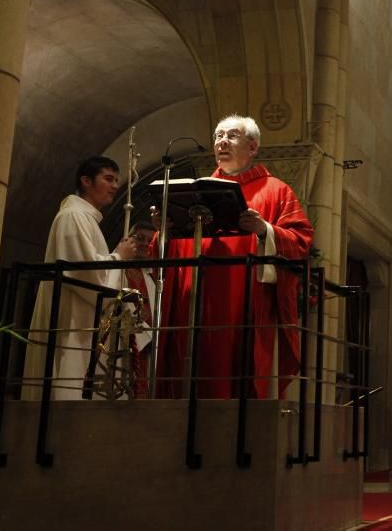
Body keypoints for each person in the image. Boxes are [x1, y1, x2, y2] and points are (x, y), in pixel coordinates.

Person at [155, 115, 314, 400]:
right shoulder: (195, 192)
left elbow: (301, 242)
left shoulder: (276, 190)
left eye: (232, 135)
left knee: (237, 375)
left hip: (245, 304)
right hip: (193, 302)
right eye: (218, 136)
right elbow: (168, 255)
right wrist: (164, 232)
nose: (222, 141)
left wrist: (265, 230)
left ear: (252, 147)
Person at [23, 156, 137, 400]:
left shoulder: (87, 218)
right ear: (86, 181)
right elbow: (87, 276)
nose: (115, 186)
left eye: (116, 180)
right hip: (72, 317)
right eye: (108, 179)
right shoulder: (73, 216)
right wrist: (118, 257)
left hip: (81, 316)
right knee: (65, 385)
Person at [124, 221, 158, 398]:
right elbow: (123, 308)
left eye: (150, 240)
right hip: (134, 347)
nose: (145, 243)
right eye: (139, 238)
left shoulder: (158, 274)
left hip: (158, 348)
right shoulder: (121, 271)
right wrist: (148, 337)